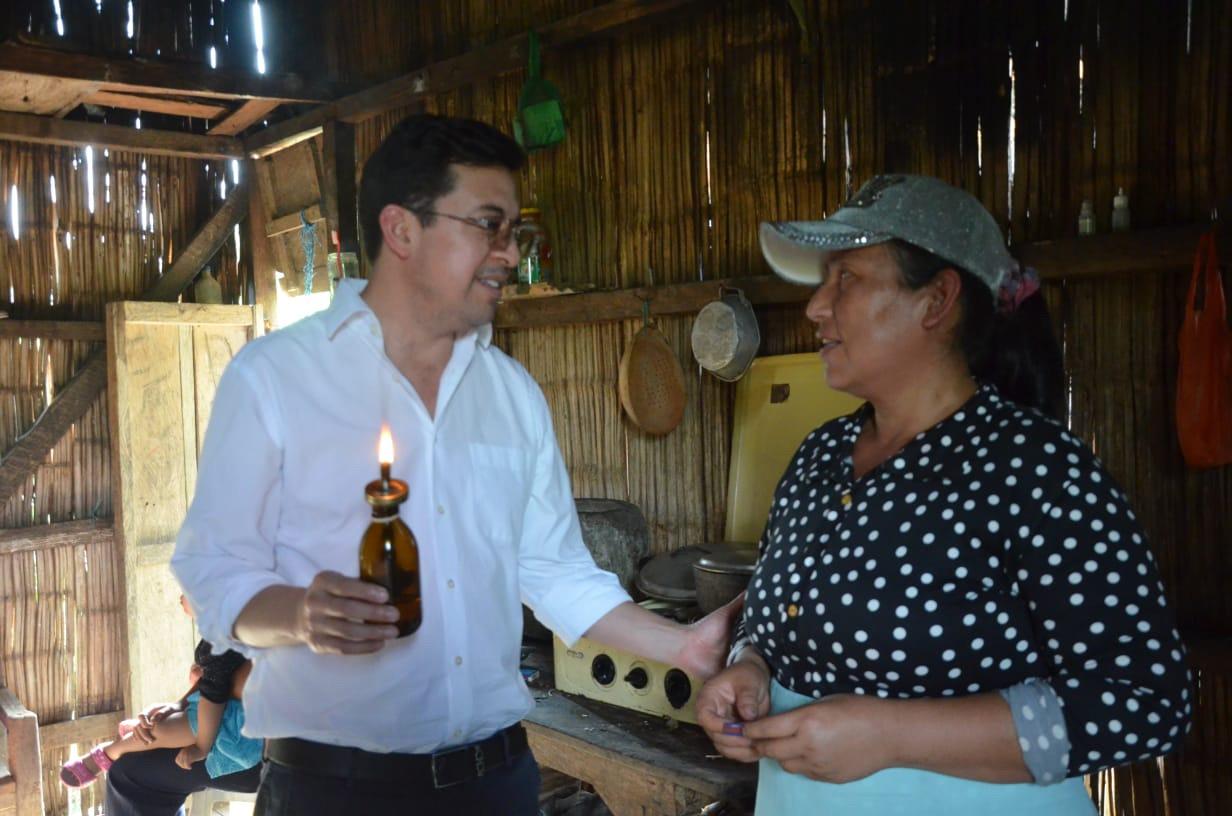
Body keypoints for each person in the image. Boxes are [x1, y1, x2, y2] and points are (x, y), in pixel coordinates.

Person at [169, 113, 738, 816]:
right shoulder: (276, 379)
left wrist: (686, 646)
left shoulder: (512, 395)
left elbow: (555, 571)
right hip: (333, 792)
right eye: (489, 226)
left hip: (494, 784)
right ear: (402, 230)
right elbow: (214, 570)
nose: (510, 253)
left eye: (513, 232)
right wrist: (301, 615)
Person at [696, 174, 1193, 815]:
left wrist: (893, 736)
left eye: (846, 279)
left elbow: (1145, 701)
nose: (816, 306)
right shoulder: (819, 456)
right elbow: (773, 614)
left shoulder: (1034, 469)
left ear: (936, 300)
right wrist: (750, 667)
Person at [76, 599, 262, 814]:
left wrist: (200, 746)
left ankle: (108, 753)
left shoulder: (248, 624)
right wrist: (177, 706)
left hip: (250, 747)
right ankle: (114, 749)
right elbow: (216, 681)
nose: (180, 599)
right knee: (146, 745)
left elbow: (222, 690)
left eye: (187, 589)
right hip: (231, 722)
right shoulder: (231, 623)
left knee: (130, 773)